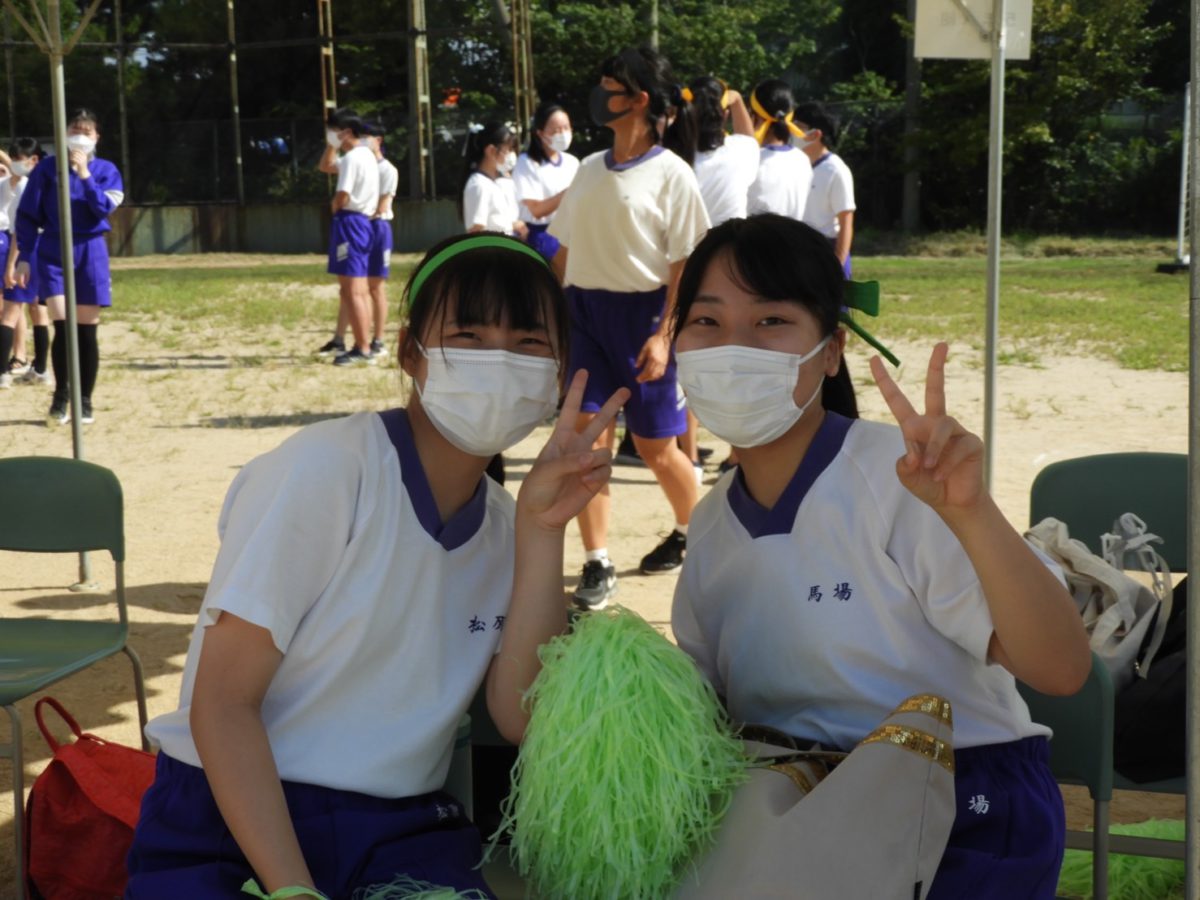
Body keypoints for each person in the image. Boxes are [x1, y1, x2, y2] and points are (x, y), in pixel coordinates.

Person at [125, 232, 628, 898]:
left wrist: (542, 532)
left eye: (529, 342)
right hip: (229, 818)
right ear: (409, 352)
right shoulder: (327, 469)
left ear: (559, 374)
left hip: (401, 830)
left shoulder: (511, 525)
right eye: (468, 335)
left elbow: (520, 717)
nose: (498, 359)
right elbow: (222, 705)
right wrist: (292, 889)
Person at [669, 214, 1092, 899]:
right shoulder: (712, 522)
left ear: (831, 351)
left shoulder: (902, 481)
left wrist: (971, 514)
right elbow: (703, 705)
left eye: (771, 320)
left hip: (963, 804)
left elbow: (1061, 668)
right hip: (794, 807)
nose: (734, 346)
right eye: (707, 322)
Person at [548, 46, 709, 608]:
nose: (599, 95)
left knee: (656, 447)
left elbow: (686, 265)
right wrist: (548, 313)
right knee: (588, 442)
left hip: (644, 319)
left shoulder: (672, 174)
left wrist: (664, 336)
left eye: (609, 87)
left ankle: (696, 535)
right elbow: (562, 252)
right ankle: (597, 561)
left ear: (639, 99)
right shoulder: (589, 169)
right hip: (584, 317)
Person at [13, 109, 122, 424]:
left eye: (87, 132)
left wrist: (84, 174)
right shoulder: (47, 169)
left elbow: (102, 208)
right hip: (53, 249)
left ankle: (84, 401)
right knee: (62, 325)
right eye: (75, 130)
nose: (80, 136)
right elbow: (28, 214)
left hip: (90, 249)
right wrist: (24, 256)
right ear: (63, 134)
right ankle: (61, 396)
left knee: (86, 330)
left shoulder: (106, 170)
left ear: (97, 137)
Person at [315, 109, 380, 367]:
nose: (330, 134)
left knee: (353, 290)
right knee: (356, 289)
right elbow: (325, 166)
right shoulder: (364, 155)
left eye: (333, 130)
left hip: (350, 222)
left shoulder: (353, 158)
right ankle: (364, 344)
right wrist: (331, 146)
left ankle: (362, 347)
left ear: (347, 132)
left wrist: (335, 207)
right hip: (362, 223)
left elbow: (343, 194)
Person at [0, 139, 49, 388]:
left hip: (29, 247)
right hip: (33, 245)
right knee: (36, 308)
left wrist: (11, 264)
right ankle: (39, 368)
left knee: (14, 310)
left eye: (20, 159)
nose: (15, 164)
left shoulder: (28, 186)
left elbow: (21, 231)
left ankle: (4, 372)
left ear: (34, 161)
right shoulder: (11, 184)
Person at [794, 101, 857, 277]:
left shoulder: (836, 170)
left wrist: (837, 265)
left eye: (798, 127)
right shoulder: (795, 165)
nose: (792, 132)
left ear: (815, 134)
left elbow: (846, 223)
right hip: (800, 250)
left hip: (826, 251)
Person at [513, 101, 580, 262]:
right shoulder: (527, 163)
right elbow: (537, 210)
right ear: (540, 133)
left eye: (566, 128)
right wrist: (568, 193)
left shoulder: (572, 162)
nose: (563, 134)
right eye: (556, 130)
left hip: (572, 232)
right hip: (542, 236)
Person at [746, 79, 812, 223]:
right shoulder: (802, 160)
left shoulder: (748, 159)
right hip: (794, 236)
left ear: (753, 116)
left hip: (752, 237)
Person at [366, 121, 399, 359]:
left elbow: (383, 206)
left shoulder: (388, 170)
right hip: (362, 226)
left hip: (377, 227)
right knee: (356, 286)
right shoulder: (360, 166)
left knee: (376, 286)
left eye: (366, 137)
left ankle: (378, 340)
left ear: (378, 140)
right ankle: (347, 339)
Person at [461, 121, 526, 239]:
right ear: (491, 150)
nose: (511, 155)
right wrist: (512, 227)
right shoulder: (479, 185)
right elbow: (476, 232)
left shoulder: (496, 183)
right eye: (508, 150)